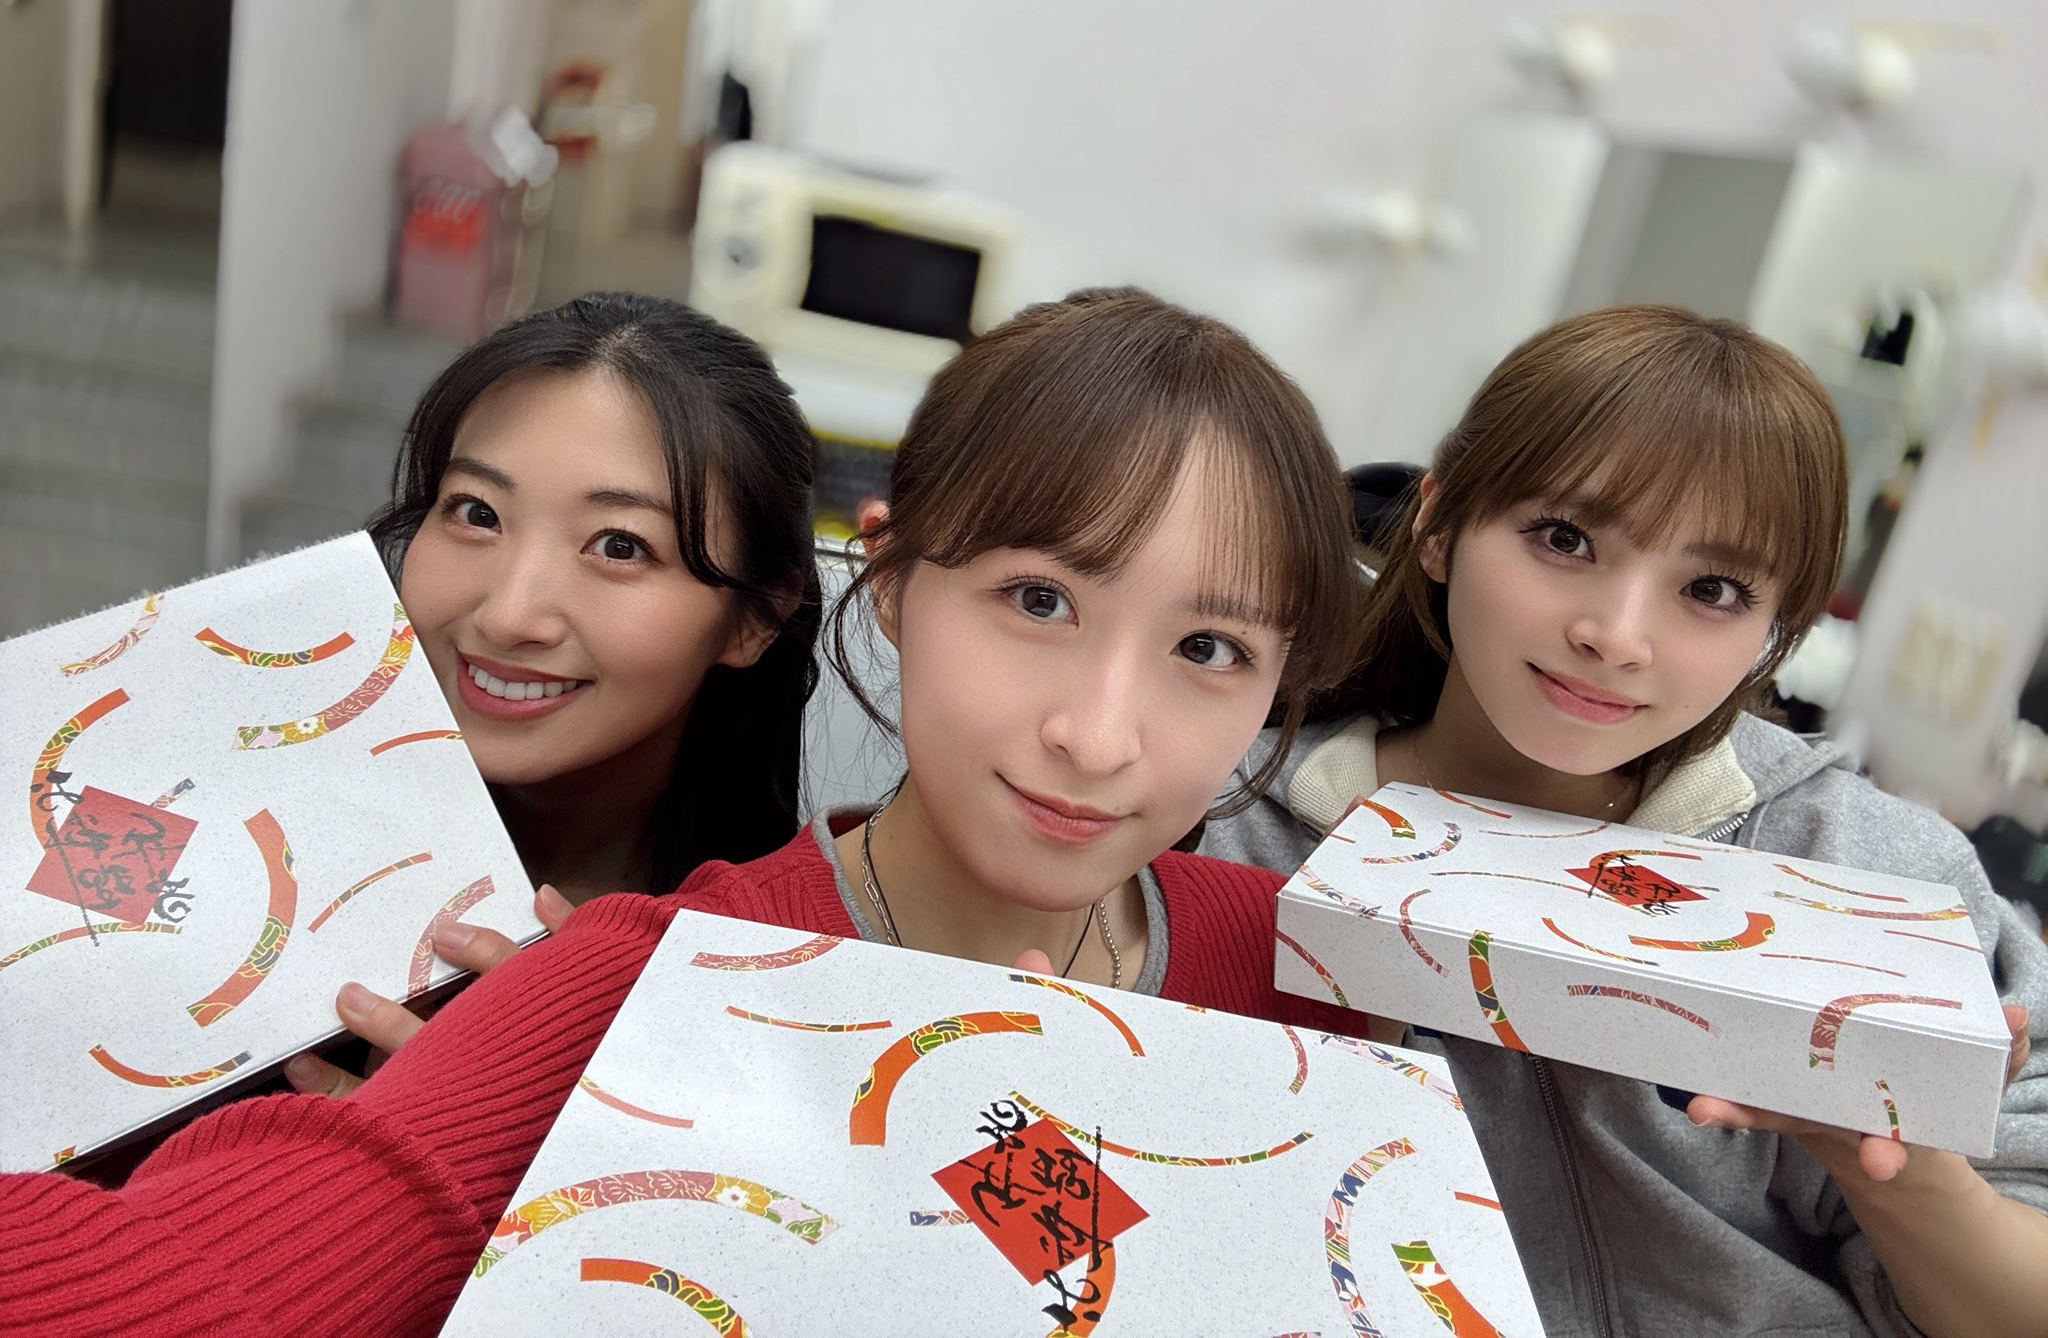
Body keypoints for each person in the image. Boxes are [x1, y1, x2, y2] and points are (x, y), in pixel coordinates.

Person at [3, 288, 1377, 1336]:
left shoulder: (1317, 973)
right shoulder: (627, 988)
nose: (1098, 733)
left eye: (1210, 650)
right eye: (1038, 600)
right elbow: (190, 1284)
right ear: (892, 580)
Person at [1202, 304, 2048, 1338]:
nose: (1616, 635)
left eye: (1711, 589)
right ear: (1438, 524)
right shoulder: (1221, 825)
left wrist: (1903, 1176)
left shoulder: (1868, 874)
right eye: (1564, 539)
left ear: (1775, 628)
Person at [285, 291, 822, 1099]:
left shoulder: (769, 1003)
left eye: (620, 546)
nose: (509, 616)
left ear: (755, 619)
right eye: (477, 512)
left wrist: (510, 1134)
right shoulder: (251, 853)